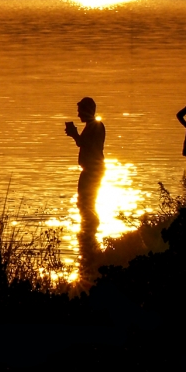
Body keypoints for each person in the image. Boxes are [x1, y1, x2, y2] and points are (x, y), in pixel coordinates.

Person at [66, 97, 106, 258]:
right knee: (84, 202)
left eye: (80, 110)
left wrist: (75, 135)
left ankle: (90, 231)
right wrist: (75, 136)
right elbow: (84, 143)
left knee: (85, 202)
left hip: (93, 170)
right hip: (89, 169)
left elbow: (87, 144)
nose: (78, 114)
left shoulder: (95, 125)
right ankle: (89, 232)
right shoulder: (91, 125)